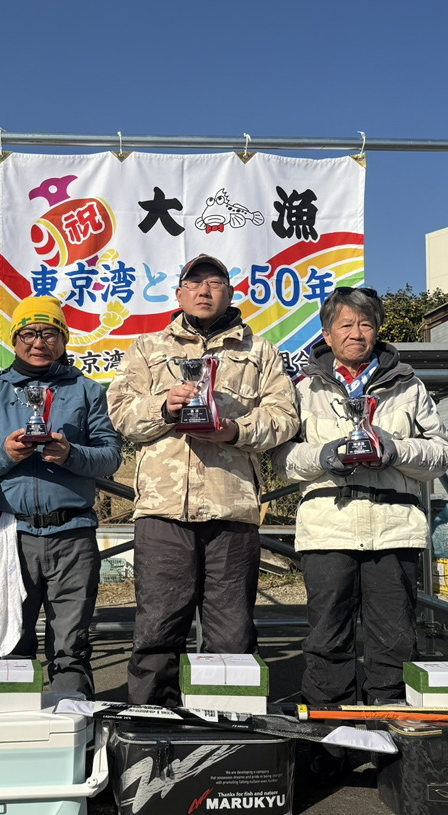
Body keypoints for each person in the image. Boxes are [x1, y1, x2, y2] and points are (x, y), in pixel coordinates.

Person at [107, 254, 299, 706]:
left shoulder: (260, 352)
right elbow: (121, 414)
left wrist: (235, 430)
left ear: (229, 293)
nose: (204, 291)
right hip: (162, 511)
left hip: (232, 507)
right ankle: (152, 725)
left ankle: (227, 726)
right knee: (157, 629)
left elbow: (285, 417)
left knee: (232, 632)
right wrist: (163, 408)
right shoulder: (147, 348)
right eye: (194, 283)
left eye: (215, 283)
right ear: (179, 294)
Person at [272, 286, 448, 707]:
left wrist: (395, 450)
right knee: (327, 638)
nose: (356, 333)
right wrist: (324, 456)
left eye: (366, 324)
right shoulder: (303, 390)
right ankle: (331, 730)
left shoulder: (409, 386)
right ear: (327, 334)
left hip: (394, 530)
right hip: (328, 529)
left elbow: (441, 454)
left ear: (378, 330)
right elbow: (281, 461)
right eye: (346, 325)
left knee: (394, 639)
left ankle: (390, 727)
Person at [0, 297, 122, 699]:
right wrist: (6, 454)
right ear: (14, 339)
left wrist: (71, 454)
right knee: (11, 637)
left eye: (50, 333)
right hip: (14, 533)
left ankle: (72, 720)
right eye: (29, 333)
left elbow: (110, 456)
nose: (39, 342)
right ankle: (12, 721)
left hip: (73, 532)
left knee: (71, 643)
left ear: (64, 339)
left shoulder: (87, 391)